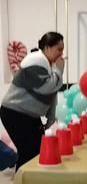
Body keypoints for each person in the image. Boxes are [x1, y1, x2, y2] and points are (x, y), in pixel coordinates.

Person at [0, 32, 65, 171]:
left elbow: (52, 95)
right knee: (28, 153)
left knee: (37, 151)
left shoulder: (49, 65)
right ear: (47, 48)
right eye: (59, 49)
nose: (61, 54)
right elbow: (47, 88)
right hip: (15, 113)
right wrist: (59, 70)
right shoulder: (36, 60)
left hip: (27, 115)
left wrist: (50, 120)